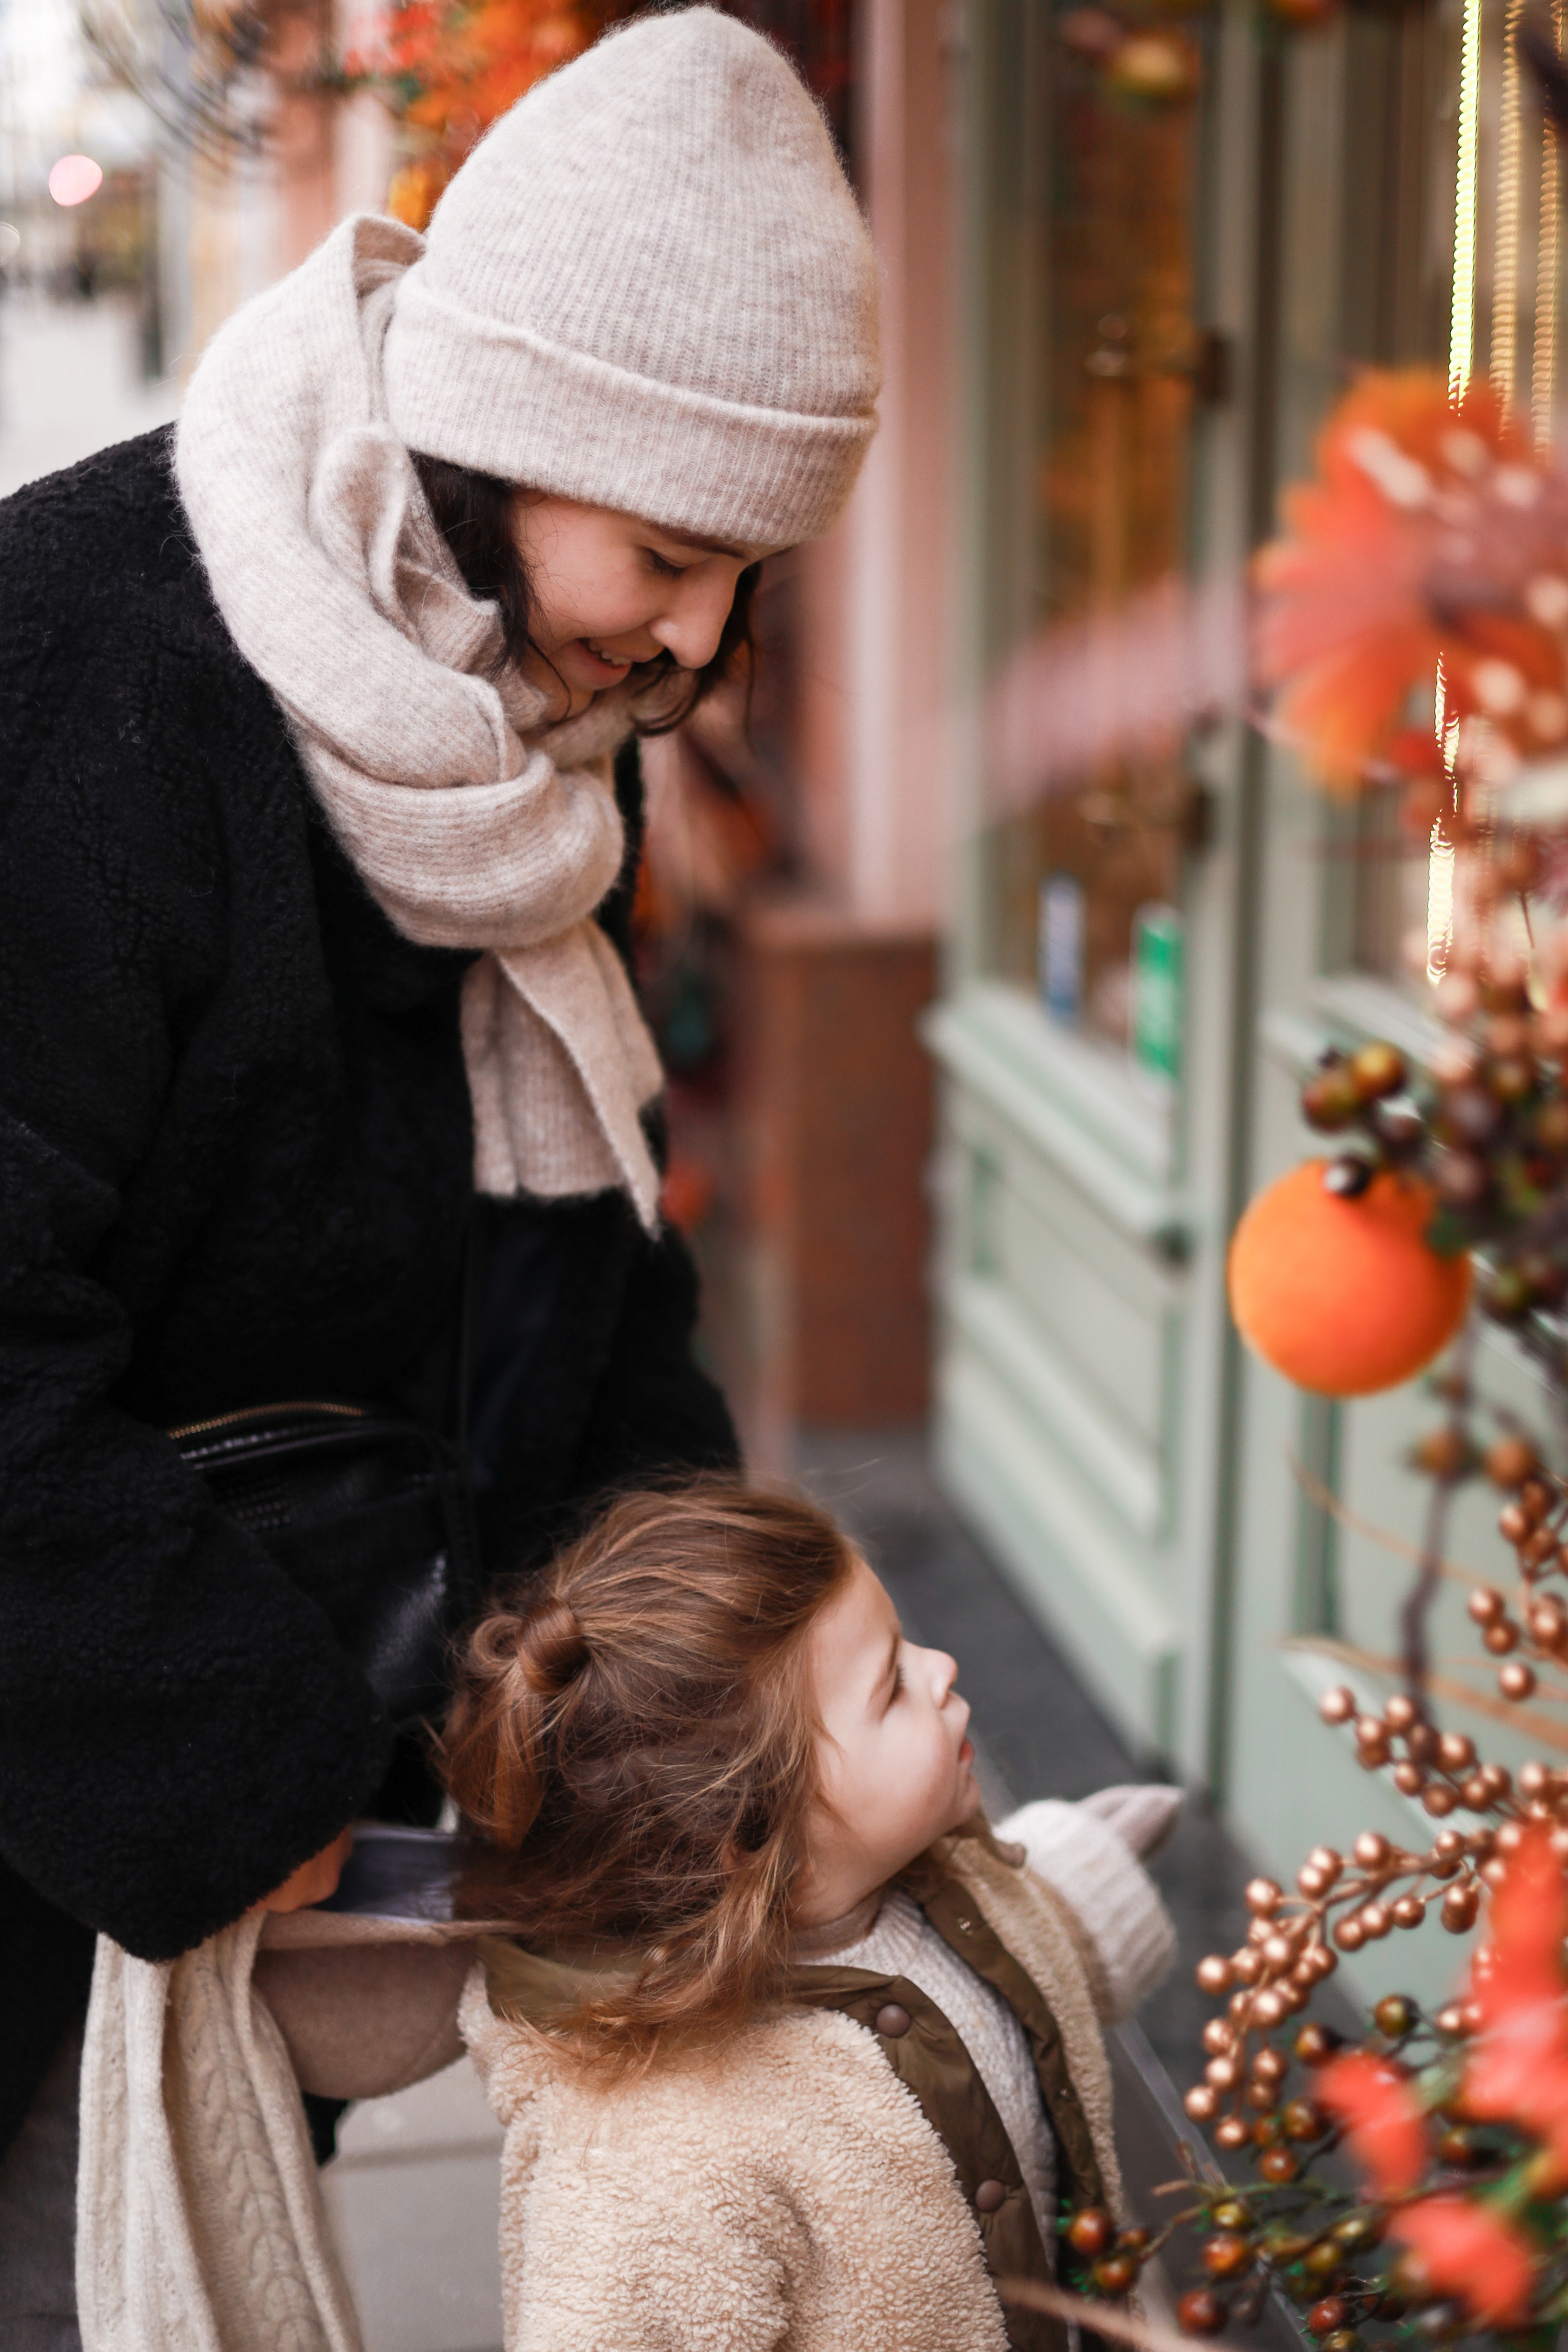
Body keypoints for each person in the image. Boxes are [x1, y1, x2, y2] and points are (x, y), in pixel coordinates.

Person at [0, 10, 879, 2340]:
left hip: (294, 1866)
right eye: (674, 550)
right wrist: (242, 1760)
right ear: (499, 440)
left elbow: (582, 1284)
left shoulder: (521, 731)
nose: (699, 639)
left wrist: (726, 1677)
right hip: (82, 1822)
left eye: (747, 575)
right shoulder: (76, 661)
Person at [440, 1482, 1179, 2352]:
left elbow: (1014, 1993)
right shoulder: (657, 2160)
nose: (942, 1670)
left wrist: (1089, 1870)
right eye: (892, 1687)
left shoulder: (940, 1881)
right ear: (755, 1837)